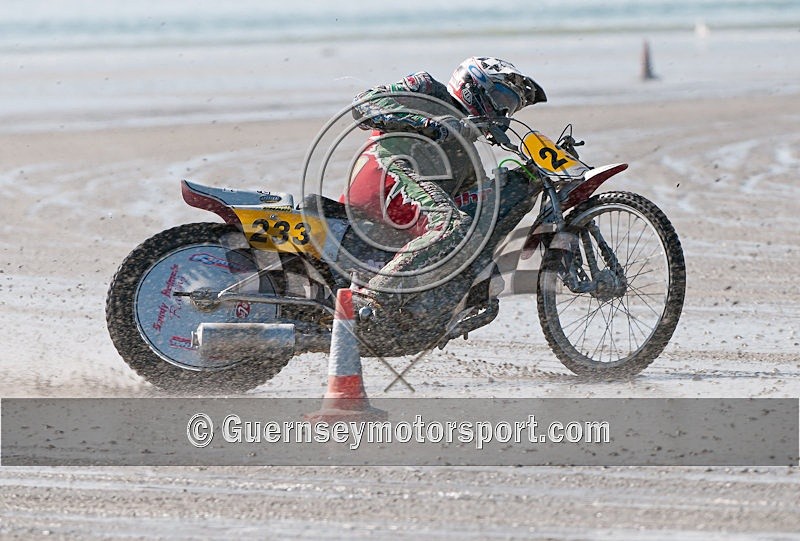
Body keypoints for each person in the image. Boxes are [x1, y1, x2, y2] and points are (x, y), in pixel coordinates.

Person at [346, 56, 547, 321]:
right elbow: (364, 103)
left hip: (408, 216)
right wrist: (426, 124)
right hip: (387, 171)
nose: (501, 112)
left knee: (481, 220)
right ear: (472, 85)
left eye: (508, 108)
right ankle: (373, 298)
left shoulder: (468, 159)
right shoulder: (427, 88)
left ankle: (425, 309)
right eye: (500, 99)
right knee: (453, 225)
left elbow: (478, 214)